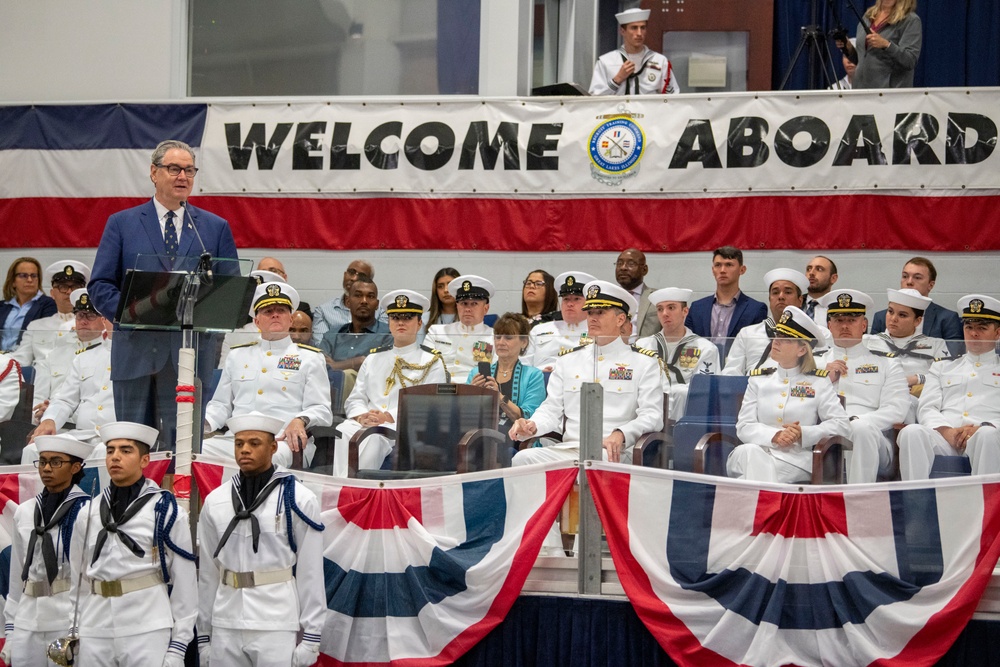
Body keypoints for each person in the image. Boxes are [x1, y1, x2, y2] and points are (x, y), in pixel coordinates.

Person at [88, 139, 239, 451]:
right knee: (131, 446)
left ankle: (179, 502)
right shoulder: (122, 223)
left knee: (181, 450)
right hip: (135, 353)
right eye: (174, 169)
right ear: (154, 173)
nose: (182, 176)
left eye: (189, 170)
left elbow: (229, 289)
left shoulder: (214, 228)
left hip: (188, 357)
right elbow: (100, 284)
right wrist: (133, 312)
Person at [197, 412, 325, 667]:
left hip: (274, 620)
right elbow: (209, 573)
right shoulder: (216, 501)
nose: (245, 450)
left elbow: (311, 571)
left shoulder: (298, 499)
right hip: (226, 619)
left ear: (273, 447)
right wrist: (203, 635)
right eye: (239, 443)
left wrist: (311, 637)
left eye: (254, 443)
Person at [69, 421, 196, 666]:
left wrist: (179, 646)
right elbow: (78, 578)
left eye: (126, 451)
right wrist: (75, 627)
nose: (115, 457)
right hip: (95, 624)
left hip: (146, 624)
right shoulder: (89, 512)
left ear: (145, 460)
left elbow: (185, 583)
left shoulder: (165, 510)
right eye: (110, 450)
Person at [509, 280, 663, 465]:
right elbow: (552, 409)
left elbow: (652, 415)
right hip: (570, 448)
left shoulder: (643, 363)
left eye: (600, 312)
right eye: (590, 312)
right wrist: (532, 425)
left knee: (593, 463)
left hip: (613, 451)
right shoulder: (568, 361)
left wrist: (622, 433)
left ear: (620, 319)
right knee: (522, 459)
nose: (592, 318)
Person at [204, 281, 333, 468]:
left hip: (282, 441)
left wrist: (301, 420)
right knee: (196, 452)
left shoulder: (310, 358)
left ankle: (250, 497)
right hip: (237, 439)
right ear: (256, 322)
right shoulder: (237, 356)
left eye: (281, 310)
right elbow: (220, 405)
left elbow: (321, 409)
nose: (275, 314)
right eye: (267, 311)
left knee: (263, 458)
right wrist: (203, 424)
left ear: (290, 319)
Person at [727, 306, 850, 483]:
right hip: (756, 451)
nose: (776, 342)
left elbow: (842, 425)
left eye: (785, 339)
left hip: (794, 460)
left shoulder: (818, 382)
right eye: (777, 336)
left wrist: (803, 433)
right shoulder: (759, 380)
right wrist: (774, 436)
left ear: (802, 350)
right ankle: (767, 508)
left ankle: (757, 508)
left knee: (749, 470)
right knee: (750, 452)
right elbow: (744, 426)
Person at [333, 290, 449, 476]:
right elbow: (355, 398)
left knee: (373, 438)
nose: (401, 322)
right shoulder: (373, 358)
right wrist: (362, 416)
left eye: (408, 317)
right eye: (395, 318)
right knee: (343, 430)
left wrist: (387, 417)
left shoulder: (432, 361)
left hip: (403, 428)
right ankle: (342, 488)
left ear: (419, 323)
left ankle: (359, 490)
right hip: (367, 422)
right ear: (389, 322)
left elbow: (429, 405)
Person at [3, 434, 91, 667]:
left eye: (55, 462)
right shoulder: (25, 511)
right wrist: (11, 630)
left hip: (66, 620)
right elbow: (16, 577)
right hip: (27, 619)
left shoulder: (87, 511)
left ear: (75, 467)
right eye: (42, 462)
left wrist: (81, 627)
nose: (47, 468)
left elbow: (89, 577)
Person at [897, 295, 1000, 479]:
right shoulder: (943, 367)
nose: (974, 334)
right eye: (969, 327)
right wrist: (947, 431)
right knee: (911, 432)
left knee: (987, 436)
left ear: (997, 333)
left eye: (982, 328)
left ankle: (985, 505)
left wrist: (984, 427)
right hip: (947, 437)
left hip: (988, 438)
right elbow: (927, 407)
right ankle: (915, 503)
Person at [815, 289, 909, 483]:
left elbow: (896, 409)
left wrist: (856, 420)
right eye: (839, 320)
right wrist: (824, 378)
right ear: (829, 325)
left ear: (864, 325)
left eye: (852, 320)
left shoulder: (887, 363)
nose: (845, 325)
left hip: (875, 438)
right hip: (824, 437)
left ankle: (858, 499)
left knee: (860, 429)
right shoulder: (814, 365)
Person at [26, 289, 115, 460]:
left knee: (103, 452)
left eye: (91, 315)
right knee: (33, 450)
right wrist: (50, 420)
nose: (83, 321)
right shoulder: (83, 358)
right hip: (83, 435)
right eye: (80, 315)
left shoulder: (134, 356)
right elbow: (65, 399)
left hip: (114, 435)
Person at [724, 268, 830, 375]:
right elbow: (731, 373)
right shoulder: (747, 334)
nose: (781, 297)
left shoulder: (818, 335)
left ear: (800, 300)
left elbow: (824, 370)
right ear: (769, 299)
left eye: (788, 292)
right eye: (775, 292)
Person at [636, 287, 720, 419]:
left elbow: (703, 392)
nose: (665, 313)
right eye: (660, 309)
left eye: (671, 308)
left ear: (685, 311)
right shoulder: (642, 346)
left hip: (687, 418)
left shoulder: (706, 348)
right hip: (647, 415)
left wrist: (671, 394)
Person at [866, 288, 948, 420]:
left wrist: (918, 379)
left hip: (916, 406)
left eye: (902, 315)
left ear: (917, 321)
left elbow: (945, 378)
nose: (893, 319)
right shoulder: (868, 342)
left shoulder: (936, 344)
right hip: (875, 403)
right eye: (890, 311)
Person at [468, 313, 547, 447]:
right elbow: (466, 415)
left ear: (524, 342)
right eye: (498, 337)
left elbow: (529, 419)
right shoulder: (476, 373)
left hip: (516, 440)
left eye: (508, 337)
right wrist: (470, 394)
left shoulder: (533, 375)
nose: (501, 342)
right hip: (480, 437)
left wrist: (498, 396)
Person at [685, 246, 768, 357]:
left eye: (729, 265)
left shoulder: (756, 309)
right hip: (701, 370)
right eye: (718, 265)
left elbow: (757, 349)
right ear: (713, 270)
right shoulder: (697, 308)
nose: (722, 270)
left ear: (742, 270)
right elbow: (688, 344)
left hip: (739, 370)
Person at [869, 257, 963, 352]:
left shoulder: (947, 318)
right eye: (905, 276)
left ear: (930, 285)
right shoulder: (881, 317)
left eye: (917, 277)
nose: (909, 282)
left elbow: (954, 357)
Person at [10, 260, 89, 367]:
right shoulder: (36, 326)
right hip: (41, 382)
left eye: (75, 287)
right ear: (52, 293)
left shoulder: (91, 324)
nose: (69, 292)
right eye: (63, 287)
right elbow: (21, 359)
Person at [589, 7, 680, 96]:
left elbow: (673, 97)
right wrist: (617, 79)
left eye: (643, 28)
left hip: (650, 111)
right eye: (634, 28)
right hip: (617, 111)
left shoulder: (660, 61)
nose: (639, 33)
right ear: (622, 31)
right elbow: (594, 99)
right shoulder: (606, 62)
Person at [424, 275, 495, 381]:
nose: (467, 309)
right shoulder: (436, 332)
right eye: (464, 303)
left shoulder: (495, 337)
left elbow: (497, 372)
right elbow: (424, 367)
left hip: (474, 393)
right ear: (457, 306)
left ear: (486, 308)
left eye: (474, 304)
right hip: (438, 392)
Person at [841, 0, 922, 89]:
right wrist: (848, 47)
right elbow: (862, 59)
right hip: (860, 91)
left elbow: (910, 60)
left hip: (889, 95)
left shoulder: (910, 20)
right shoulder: (868, 16)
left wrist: (886, 45)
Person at [528, 271, 596, 370]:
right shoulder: (538, 330)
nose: (570, 304)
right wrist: (536, 375)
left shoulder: (598, 332)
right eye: (566, 299)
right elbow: (524, 364)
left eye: (576, 299)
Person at [320, 277, 391, 371]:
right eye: (358, 295)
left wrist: (336, 365)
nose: (364, 301)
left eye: (370, 296)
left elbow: (381, 370)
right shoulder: (332, 336)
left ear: (377, 304)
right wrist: (356, 362)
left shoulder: (388, 334)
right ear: (348, 302)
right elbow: (320, 368)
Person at [312, 259, 386, 346]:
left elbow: (382, 345)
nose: (353, 278)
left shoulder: (380, 313)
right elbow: (322, 347)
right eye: (351, 272)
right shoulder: (322, 311)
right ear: (344, 275)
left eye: (361, 275)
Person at [1, 257, 57, 352]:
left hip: (26, 359)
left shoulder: (49, 305)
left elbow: (44, 339)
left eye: (34, 276)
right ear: (13, 281)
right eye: (23, 275)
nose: (30, 280)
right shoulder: (3, 306)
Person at [614, 248, 659, 342]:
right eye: (619, 263)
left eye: (631, 264)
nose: (623, 268)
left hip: (646, 353)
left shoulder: (657, 298)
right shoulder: (606, 297)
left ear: (644, 270)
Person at [419, 267, 460, 342]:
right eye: (440, 286)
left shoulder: (469, 318)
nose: (446, 290)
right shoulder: (424, 319)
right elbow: (420, 349)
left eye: (450, 284)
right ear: (436, 291)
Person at [803, 255, 838, 322]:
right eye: (808, 269)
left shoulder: (839, 308)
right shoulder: (794, 303)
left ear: (833, 278)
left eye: (819, 269)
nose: (811, 273)